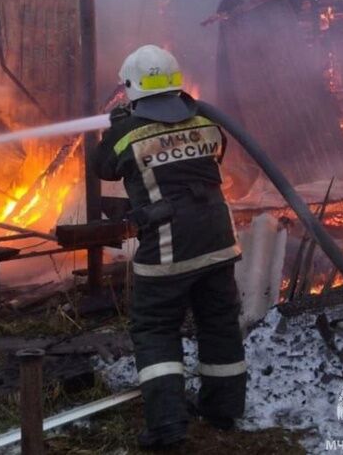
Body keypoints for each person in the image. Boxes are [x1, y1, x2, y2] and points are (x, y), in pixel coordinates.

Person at [92, 45, 246, 450]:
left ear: (131, 89)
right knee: (219, 324)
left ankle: (167, 426)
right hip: (217, 244)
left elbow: (103, 167)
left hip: (167, 249)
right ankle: (223, 410)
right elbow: (216, 155)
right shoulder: (207, 122)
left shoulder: (127, 133)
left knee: (156, 330)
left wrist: (117, 125)